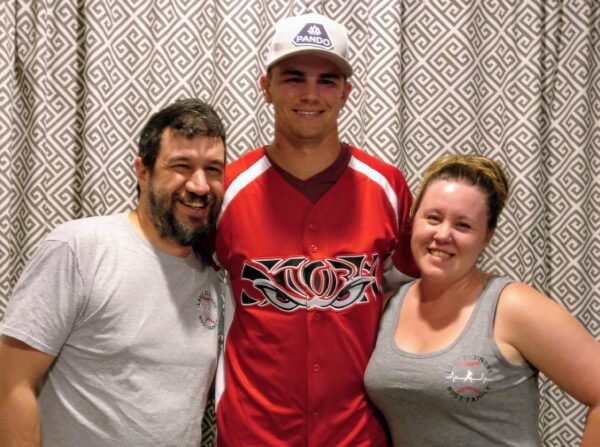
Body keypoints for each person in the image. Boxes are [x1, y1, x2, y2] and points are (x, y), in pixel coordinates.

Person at [214, 12, 418, 446]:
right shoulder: (225, 189)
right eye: (293, 77)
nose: (310, 94)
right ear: (265, 87)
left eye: (327, 80)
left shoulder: (388, 186)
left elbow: (420, 298)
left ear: (346, 92)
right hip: (254, 431)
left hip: (358, 433)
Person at [0, 98, 226, 447]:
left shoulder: (210, 276)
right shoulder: (79, 249)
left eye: (213, 169)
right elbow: (11, 385)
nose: (199, 186)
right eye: (182, 165)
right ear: (143, 171)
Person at [364, 154, 600, 446]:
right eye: (433, 218)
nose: (443, 234)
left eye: (463, 225)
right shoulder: (389, 305)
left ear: (487, 236)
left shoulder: (511, 306)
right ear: (413, 221)